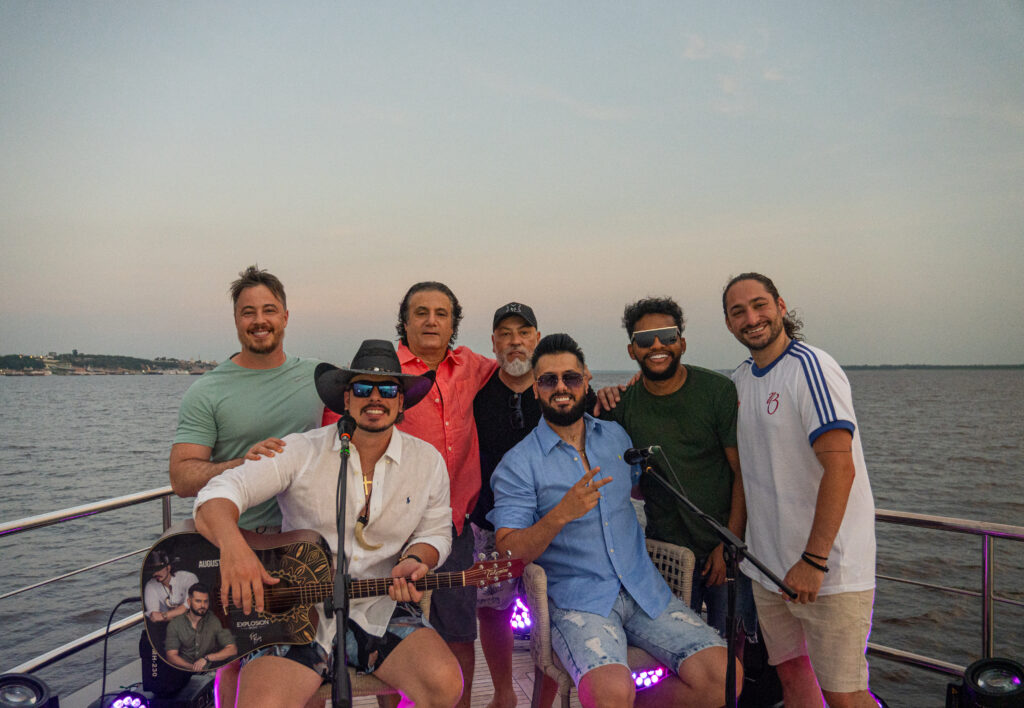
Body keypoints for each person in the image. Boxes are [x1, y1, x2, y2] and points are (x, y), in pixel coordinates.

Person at [193, 339, 462, 708]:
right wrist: (234, 549)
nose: (375, 398)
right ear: (346, 399)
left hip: (379, 605)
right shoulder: (300, 450)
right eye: (363, 388)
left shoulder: (427, 461)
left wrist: (417, 559)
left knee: (445, 685)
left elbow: (436, 531)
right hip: (296, 611)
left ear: (401, 402)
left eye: (387, 390)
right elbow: (217, 494)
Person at [489, 333, 739, 708]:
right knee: (609, 693)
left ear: (587, 378)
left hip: (645, 590)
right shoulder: (519, 464)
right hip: (578, 602)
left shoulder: (616, 437)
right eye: (549, 380)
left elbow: (638, 489)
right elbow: (508, 552)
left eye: (571, 377)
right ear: (536, 389)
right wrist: (560, 514)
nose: (561, 387)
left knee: (725, 679)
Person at [169, 265, 325, 706]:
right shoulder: (208, 390)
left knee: (308, 659)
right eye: (248, 312)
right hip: (236, 540)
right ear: (236, 320)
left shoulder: (318, 378)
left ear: (286, 316)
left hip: (303, 543)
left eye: (269, 310)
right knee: (234, 659)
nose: (260, 320)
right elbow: (181, 477)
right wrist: (243, 462)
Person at [723, 272, 877, 708]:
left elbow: (840, 467)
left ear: (780, 306)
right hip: (769, 570)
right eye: (738, 312)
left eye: (759, 305)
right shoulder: (740, 379)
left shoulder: (811, 368)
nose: (751, 318)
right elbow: (747, 469)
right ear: (729, 324)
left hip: (826, 572)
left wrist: (814, 560)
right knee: (793, 680)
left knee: (845, 696)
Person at [594, 296, 757, 649]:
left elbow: (742, 473)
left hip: (723, 546)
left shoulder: (717, 391)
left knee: (731, 650)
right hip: (664, 553)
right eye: (644, 339)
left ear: (682, 343)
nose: (657, 346)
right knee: (672, 650)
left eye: (667, 336)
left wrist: (729, 544)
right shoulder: (621, 406)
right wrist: (602, 396)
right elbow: (612, 475)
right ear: (631, 350)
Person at [393, 281, 498, 707]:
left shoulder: (471, 365)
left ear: (453, 324)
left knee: (459, 633)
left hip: (454, 528)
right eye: (421, 312)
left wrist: (600, 386)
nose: (431, 321)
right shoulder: (387, 371)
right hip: (393, 529)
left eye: (441, 313)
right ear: (405, 322)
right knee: (388, 634)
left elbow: (519, 369)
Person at [469, 302, 557, 708]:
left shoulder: (558, 388)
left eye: (523, 333)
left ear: (537, 338)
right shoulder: (478, 392)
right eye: (505, 334)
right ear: (493, 343)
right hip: (489, 523)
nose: (515, 341)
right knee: (492, 610)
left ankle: (543, 701)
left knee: (551, 615)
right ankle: (504, 693)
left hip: (551, 525)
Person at [164, 583, 238, 672]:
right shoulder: (175, 624)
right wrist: (193, 667)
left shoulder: (214, 620)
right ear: (189, 602)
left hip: (210, 671)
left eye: (206, 601)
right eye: (198, 601)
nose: (203, 605)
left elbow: (232, 649)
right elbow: (171, 656)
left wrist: (207, 658)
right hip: (183, 671)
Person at [143, 550, 199, 624]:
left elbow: (190, 607)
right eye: (153, 570)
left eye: (159, 569)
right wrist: (182, 613)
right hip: (166, 626)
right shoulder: (151, 585)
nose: (155, 573)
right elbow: (154, 617)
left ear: (168, 568)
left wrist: (164, 615)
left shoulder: (188, 578)